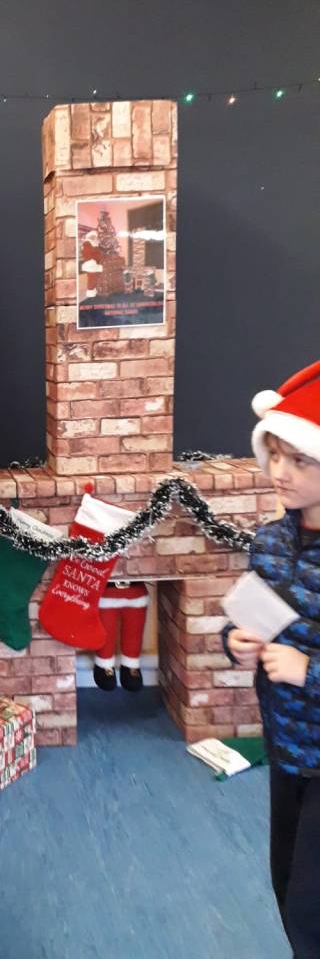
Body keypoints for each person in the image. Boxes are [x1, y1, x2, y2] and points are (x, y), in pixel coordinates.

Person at [224, 359, 320, 959]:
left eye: (300, 460)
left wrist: (309, 670)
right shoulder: (270, 541)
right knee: (286, 885)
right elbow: (251, 615)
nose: (279, 471)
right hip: (286, 745)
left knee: (310, 906)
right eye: (276, 454)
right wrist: (235, 639)